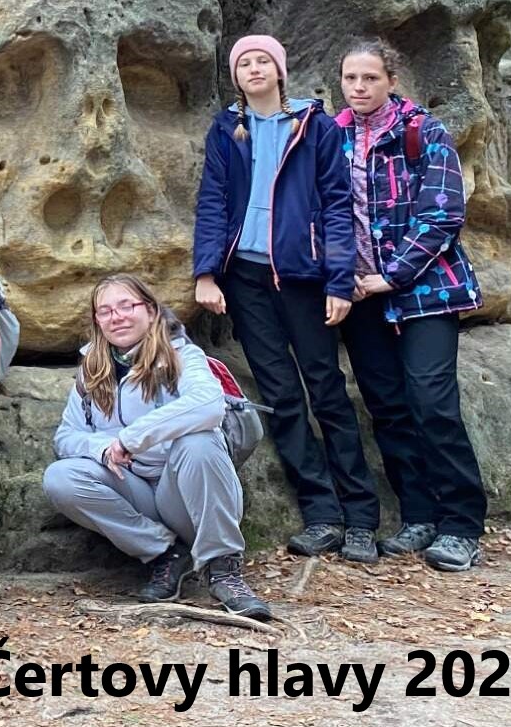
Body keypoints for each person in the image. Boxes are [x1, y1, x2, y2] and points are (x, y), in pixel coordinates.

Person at [192, 35, 380, 563]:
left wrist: (339, 282)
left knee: (327, 389)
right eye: (244, 64)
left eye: (263, 61)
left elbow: (338, 205)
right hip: (245, 280)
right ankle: (321, 515)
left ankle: (361, 518)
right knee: (280, 395)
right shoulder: (227, 128)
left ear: (279, 71)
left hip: (302, 278)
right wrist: (206, 273)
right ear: (236, 77)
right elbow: (212, 201)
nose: (254, 69)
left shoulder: (314, 126)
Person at [334, 38, 489, 572]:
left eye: (370, 78)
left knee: (431, 402)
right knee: (388, 407)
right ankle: (419, 515)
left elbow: (442, 214)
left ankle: (462, 525)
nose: (359, 87)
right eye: (351, 78)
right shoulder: (332, 136)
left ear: (391, 81)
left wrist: (391, 276)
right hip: (360, 295)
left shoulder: (423, 132)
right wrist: (344, 278)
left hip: (426, 291)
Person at [44, 275, 271, 620]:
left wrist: (132, 438)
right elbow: (66, 436)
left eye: (126, 306)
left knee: (199, 441)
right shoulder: (91, 369)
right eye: (105, 311)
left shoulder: (182, 355)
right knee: (60, 477)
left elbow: (209, 405)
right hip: (135, 492)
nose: (116, 317)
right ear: (97, 321)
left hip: (186, 497)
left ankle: (223, 568)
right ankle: (166, 553)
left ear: (150, 311)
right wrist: (104, 447)